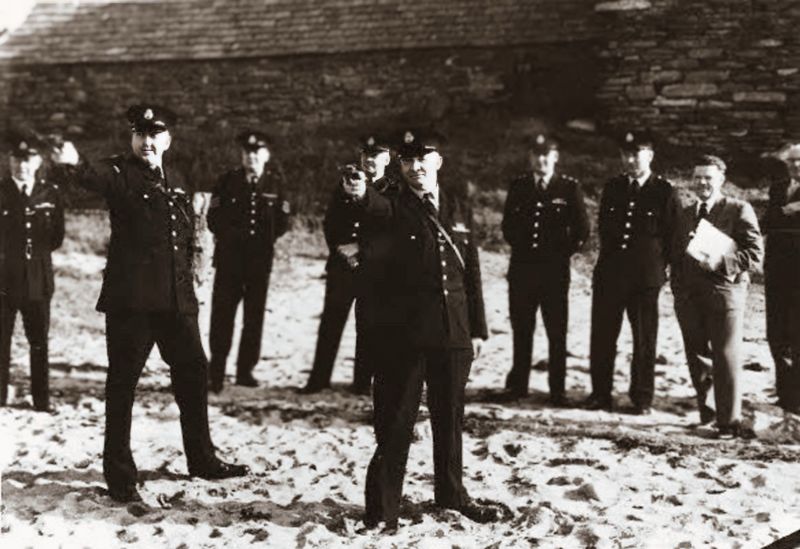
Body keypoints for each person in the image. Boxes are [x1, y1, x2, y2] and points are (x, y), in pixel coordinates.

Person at [51, 104, 248, 503]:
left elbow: (186, 235)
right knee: (123, 385)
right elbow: (90, 178)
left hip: (176, 301)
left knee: (194, 373)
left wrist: (194, 285)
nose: (147, 141)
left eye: (155, 133)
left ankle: (202, 458)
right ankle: (120, 474)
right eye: (140, 133)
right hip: (133, 304)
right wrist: (70, 163)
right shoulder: (119, 173)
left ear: (167, 139)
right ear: (131, 138)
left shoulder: (177, 176)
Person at [352, 130, 497, 533]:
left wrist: (479, 329)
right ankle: (382, 509)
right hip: (405, 336)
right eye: (407, 161)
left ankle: (451, 494)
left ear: (439, 161)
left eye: (423, 159)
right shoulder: (391, 206)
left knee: (449, 418)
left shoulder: (457, 207)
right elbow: (372, 209)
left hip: (453, 330)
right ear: (399, 166)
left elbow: (472, 273)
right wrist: (361, 192)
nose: (415, 168)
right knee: (397, 421)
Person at [670, 154, 763, 438]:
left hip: (725, 294)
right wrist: (678, 288)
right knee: (697, 357)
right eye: (697, 177)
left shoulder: (738, 209)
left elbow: (755, 254)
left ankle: (729, 422)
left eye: (708, 177)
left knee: (725, 356)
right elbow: (676, 254)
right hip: (688, 296)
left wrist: (721, 263)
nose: (702, 183)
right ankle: (708, 415)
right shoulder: (685, 213)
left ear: (721, 179)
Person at [586, 131, 676, 414]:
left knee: (644, 339)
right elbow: (604, 229)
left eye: (637, 153)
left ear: (650, 156)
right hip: (610, 274)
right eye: (626, 154)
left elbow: (672, 236)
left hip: (645, 278)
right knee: (602, 336)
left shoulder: (664, 191)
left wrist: (663, 271)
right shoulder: (613, 187)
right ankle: (600, 394)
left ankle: (642, 398)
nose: (630, 159)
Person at [300, 136, 394, 395]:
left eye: (375, 155)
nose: (369, 160)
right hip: (342, 266)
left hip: (373, 269)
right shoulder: (344, 185)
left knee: (368, 326)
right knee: (330, 324)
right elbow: (330, 222)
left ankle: (361, 383)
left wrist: (362, 251)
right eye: (365, 154)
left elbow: (392, 228)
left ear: (387, 159)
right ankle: (318, 380)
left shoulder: (393, 188)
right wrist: (341, 249)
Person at [500, 135, 589, 404]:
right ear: (530, 157)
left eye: (546, 154)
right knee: (522, 328)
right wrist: (525, 249)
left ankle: (558, 389)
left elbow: (582, 229)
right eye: (536, 155)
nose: (541, 159)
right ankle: (518, 385)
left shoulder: (568, 187)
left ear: (555, 157)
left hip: (554, 272)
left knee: (556, 332)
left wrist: (560, 254)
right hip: (522, 270)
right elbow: (508, 226)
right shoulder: (519, 186)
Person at [206, 130, 290, 392]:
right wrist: (234, 239)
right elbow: (213, 219)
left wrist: (261, 243)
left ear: (266, 155)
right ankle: (216, 371)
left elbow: (283, 222)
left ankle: (245, 371)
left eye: (256, 152)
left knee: (253, 319)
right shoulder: (227, 181)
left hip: (259, 262)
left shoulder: (276, 184)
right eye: (246, 153)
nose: (251, 157)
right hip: (230, 261)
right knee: (222, 316)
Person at [0, 130, 64, 411]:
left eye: (28, 160)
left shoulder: (50, 193)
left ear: (38, 162)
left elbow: (56, 237)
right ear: (8, 160)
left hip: (39, 280)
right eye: (16, 158)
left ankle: (41, 400)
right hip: (3, 279)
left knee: (39, 342)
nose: (21, 165)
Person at [762, 145, 800, 415]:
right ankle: (785, 394)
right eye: (793, 161)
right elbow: (767, 221)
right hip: (776, 268)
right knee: (777, 332)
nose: (797, 165)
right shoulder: (778, 187)